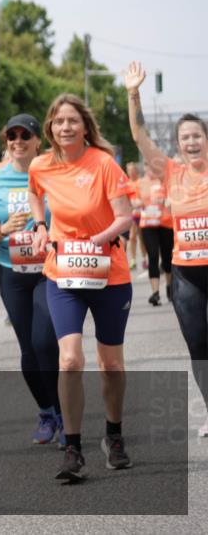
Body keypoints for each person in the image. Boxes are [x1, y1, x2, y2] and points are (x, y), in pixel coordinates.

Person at [27, 94, 134, 482]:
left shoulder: (103, 163)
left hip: (108, 273)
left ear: (85, 126)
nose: (65, 127)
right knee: (70, 360)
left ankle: (114, 435)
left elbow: (125, 217)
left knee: (111, 364)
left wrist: (98, 238)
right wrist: (40, 227)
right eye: (58, 121)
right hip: (64, 275)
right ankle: (73, 448)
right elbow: (34, 193)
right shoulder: (41, 165)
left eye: (72, 120)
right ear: (50, 128)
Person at [126, 61, 208, 436]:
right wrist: (133, 94)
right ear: (178, 145)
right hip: (187, 278)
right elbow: (139, 135)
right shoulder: (171, 171)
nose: (191, 142)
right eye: (185, 137)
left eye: (197, 136)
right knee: (199, 348)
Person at [0, 114, 63, 445]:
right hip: (11, 272)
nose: (17, 141)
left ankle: (63, 412)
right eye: (11, 136)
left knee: (45, 343)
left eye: (25, 135)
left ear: (38, 140)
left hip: (48, 270)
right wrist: (3, 228)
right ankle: (46, 411)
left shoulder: (54, 172)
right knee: (28, 348)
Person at [136, 166, 174, 306]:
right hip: (148, 224)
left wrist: (165, 201)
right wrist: (138, 203)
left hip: (165, 223)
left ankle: (169, 286)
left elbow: (173, 199)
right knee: (152, 256)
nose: (149, 169)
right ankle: (155, 293)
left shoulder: (165, 180)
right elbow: (134, 200)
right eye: (146, 166)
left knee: (167, 258)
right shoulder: (140, 183)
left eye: (152, 166)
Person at [124, 162, 147, 270]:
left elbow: (146, 196)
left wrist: (140, 202)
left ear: (136, 171)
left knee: (142, 237)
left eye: (132, 170)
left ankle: (144, 259)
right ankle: (133, 260)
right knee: (132, 237)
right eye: (129, 170)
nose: (131, 172)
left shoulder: (141, 182)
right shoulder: (127, 184)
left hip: (142, 212)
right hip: (132, 213)